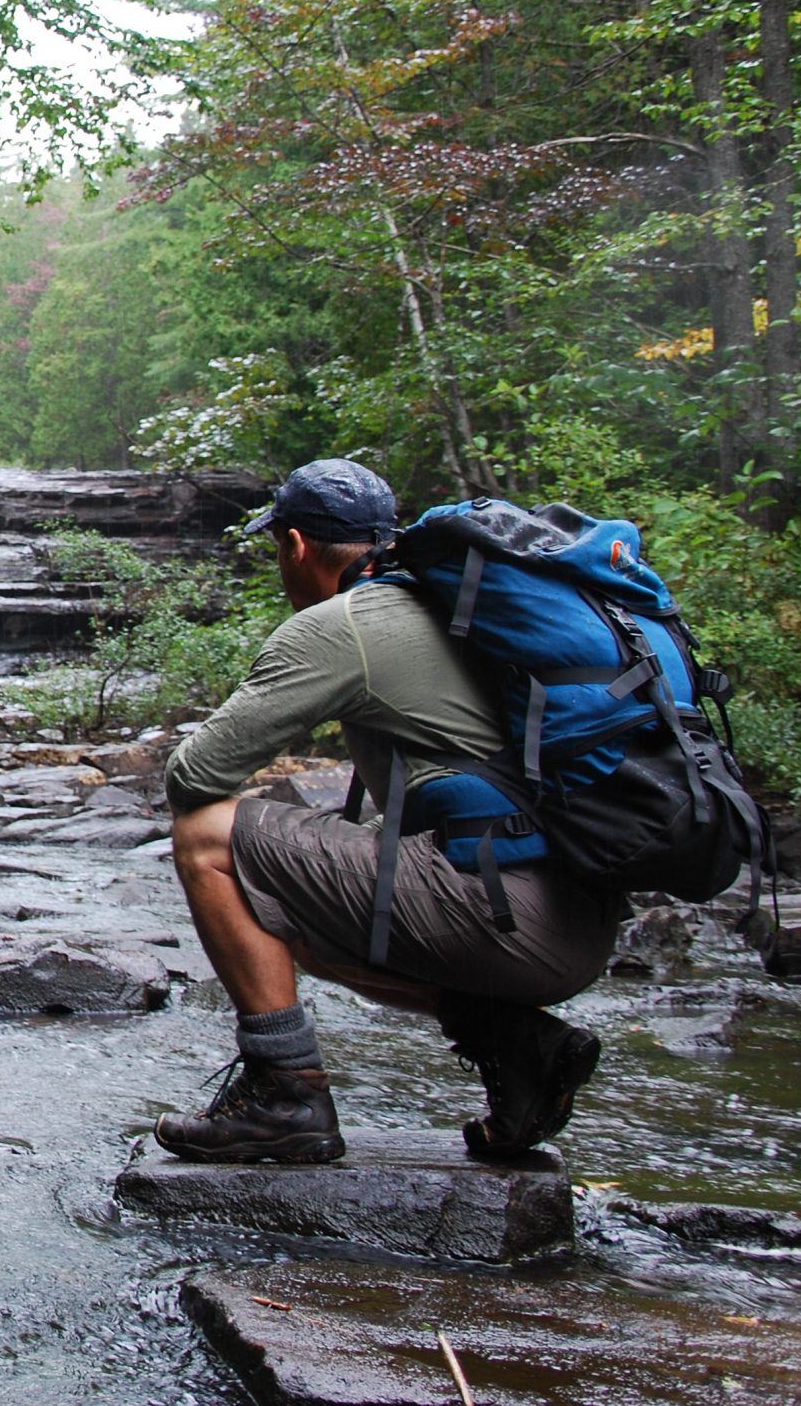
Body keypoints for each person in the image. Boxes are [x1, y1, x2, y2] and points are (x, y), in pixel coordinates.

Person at [153, 458, 622, 1164]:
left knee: (207, 839)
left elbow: (197, 777)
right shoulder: (455, 603)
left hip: (507, 918)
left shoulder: (344, 624)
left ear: (297, 546)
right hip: (580, 919)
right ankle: (520, 1047)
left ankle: (286, 1093)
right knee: (287, 914)